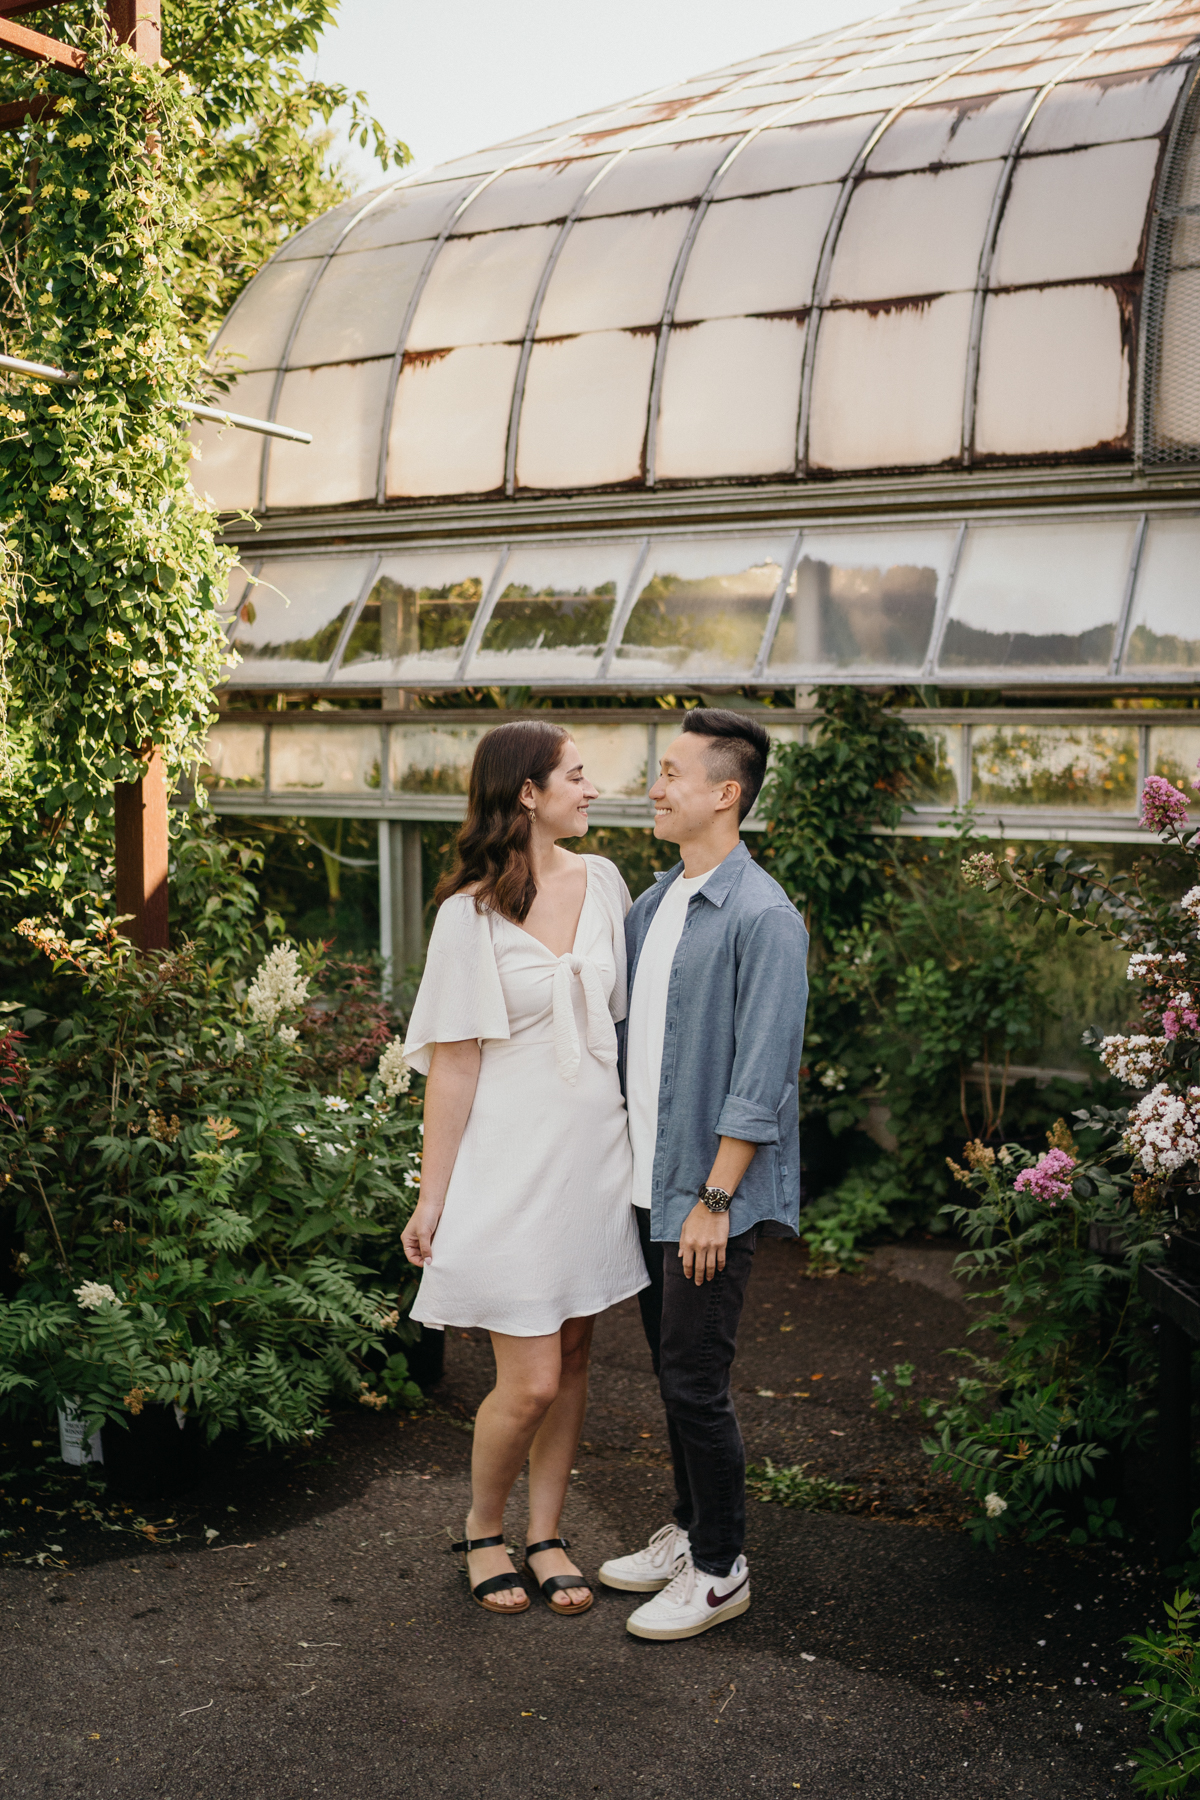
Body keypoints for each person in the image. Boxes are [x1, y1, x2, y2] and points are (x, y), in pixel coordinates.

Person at [400, 720, 647, 1618]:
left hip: (594, 1158)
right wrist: (433, 1197)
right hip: (509, 1165)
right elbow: (455, 1066)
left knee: (575, 1357)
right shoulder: (467, 915)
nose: (594, 789)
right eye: (577, 775)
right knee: (531, 1377)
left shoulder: (606, 881)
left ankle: (545, 1534)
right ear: (529, 793)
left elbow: (629, 1021)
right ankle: (482, 1529)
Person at [598, 708, 808, 1641]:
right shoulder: (655, 905)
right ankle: (688, 1532)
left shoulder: (764, 917)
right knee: (670, 1369)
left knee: (694, 1379)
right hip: (654, 1189)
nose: (656, 787)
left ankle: (722, 1568)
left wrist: (714, 1202)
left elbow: (761, 1082)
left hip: (707, 1199)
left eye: (673, 773)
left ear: (726, 793)